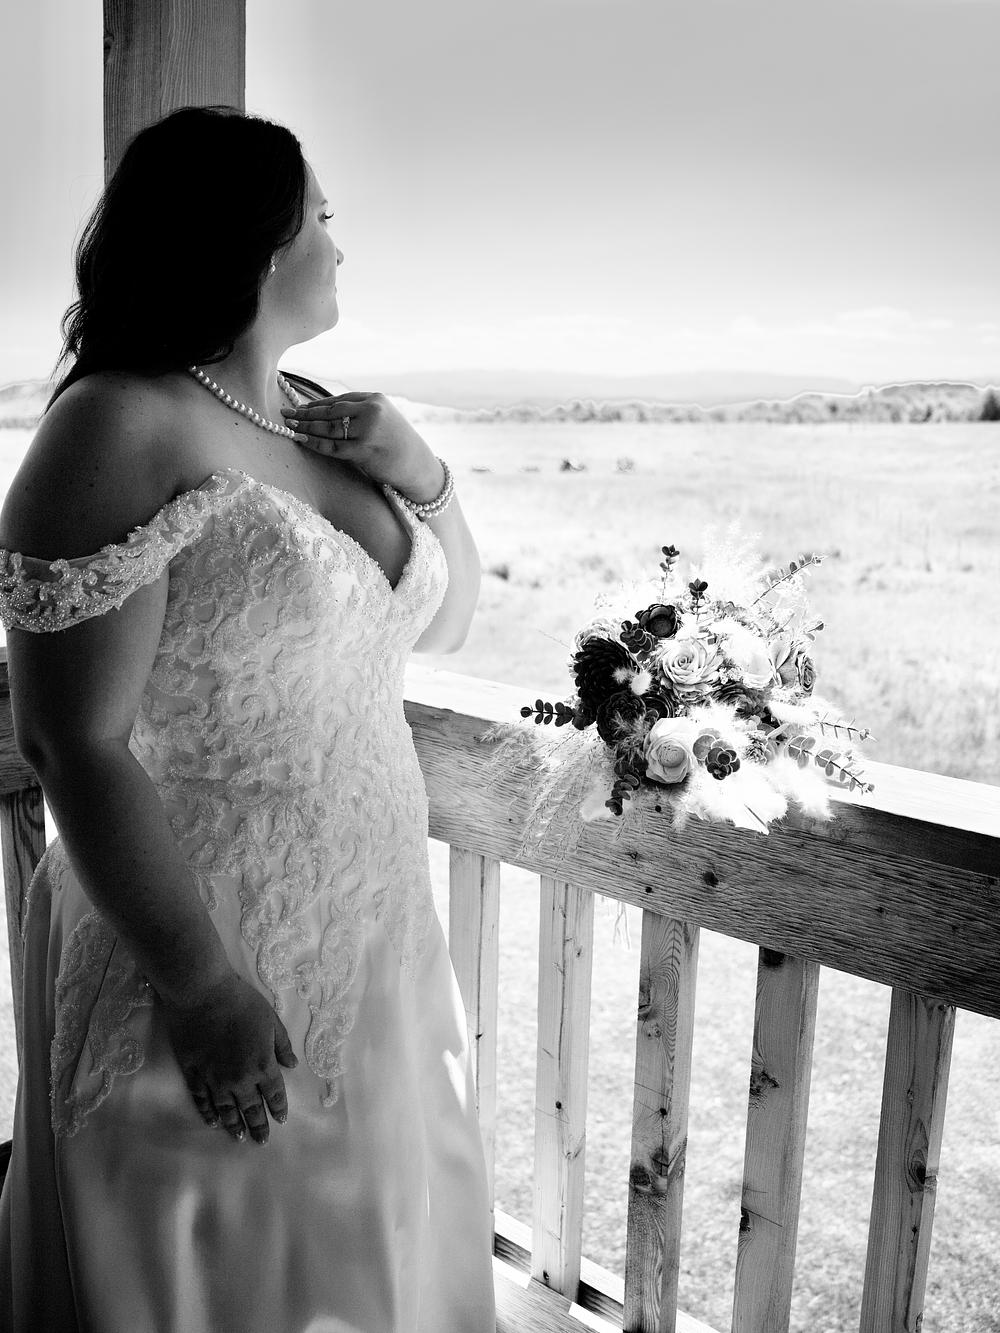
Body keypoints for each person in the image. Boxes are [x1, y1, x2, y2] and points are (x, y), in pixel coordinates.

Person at [0, 105, 496, 1333]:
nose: (340, 242)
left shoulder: (319, 411)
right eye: (322, 215)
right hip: (206, 929)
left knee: (376, 1257)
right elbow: (72, 741)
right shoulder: (120, 422)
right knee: (229, 1269)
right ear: (256, 241)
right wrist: (201, 981)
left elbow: (441, 625)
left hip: (376, 919)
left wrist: (424, 473)